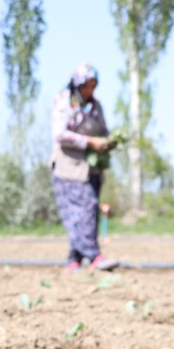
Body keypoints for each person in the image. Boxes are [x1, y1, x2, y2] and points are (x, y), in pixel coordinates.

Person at [49, 62, 119, 272]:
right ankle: (94, 256)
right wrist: (90, 142)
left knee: (88, 212)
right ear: (77, 84)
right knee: (81, 211)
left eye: (94, 85)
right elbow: (59, 134)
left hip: (90, 169)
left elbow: (104, 130)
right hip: (67, 168)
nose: (91, 90)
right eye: (87, 85)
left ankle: (73, 261)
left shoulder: (96, 107)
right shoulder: (65, 103)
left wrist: (108, 142)